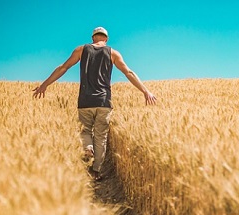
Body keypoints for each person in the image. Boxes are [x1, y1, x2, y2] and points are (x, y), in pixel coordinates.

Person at [33, 26, 156, 181]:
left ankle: (88, 148)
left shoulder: (81, 50)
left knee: (85, 132)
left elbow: (63, 67)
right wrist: (146, 91)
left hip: (85, 100)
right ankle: (96, 170)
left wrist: (45, 84)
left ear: (93, 38)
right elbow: (128, 73)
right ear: (106, 39)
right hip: (104, 102)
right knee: (101, 137)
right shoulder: (113, 53)